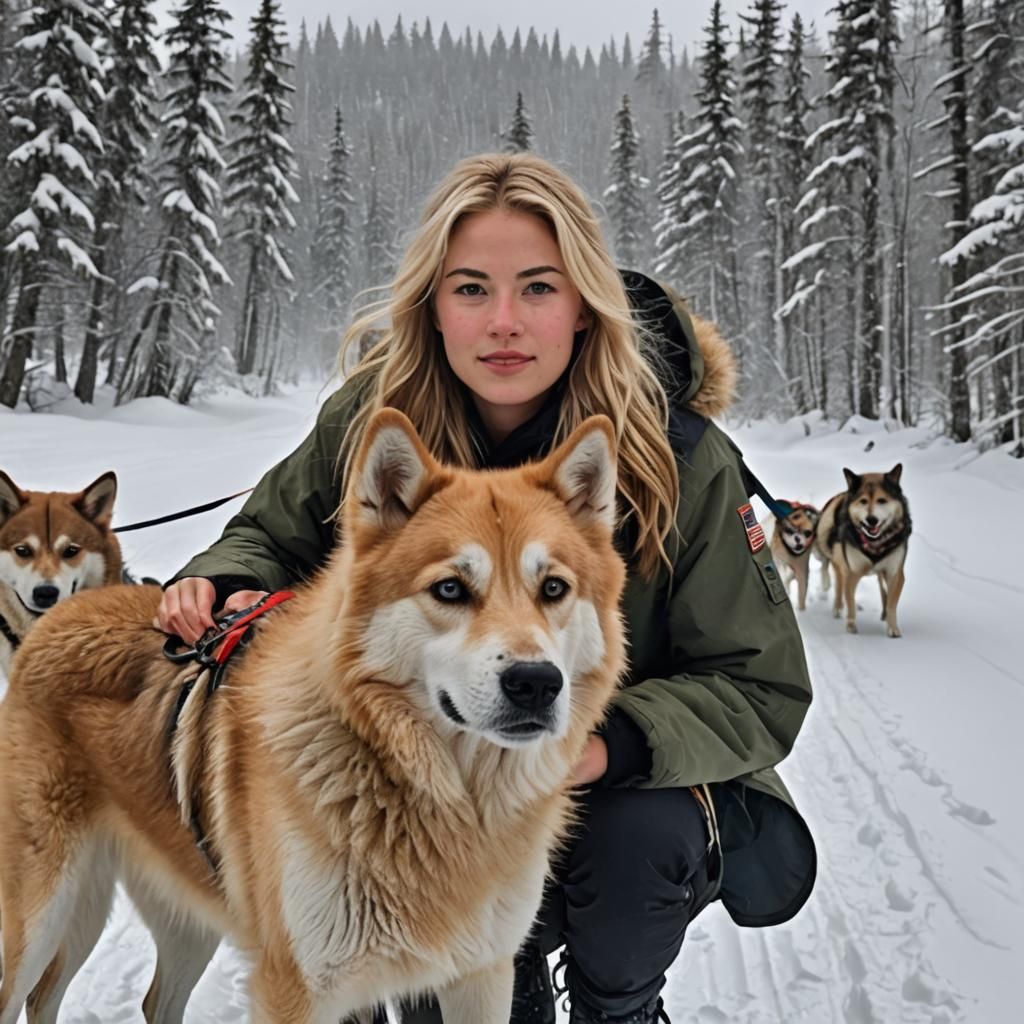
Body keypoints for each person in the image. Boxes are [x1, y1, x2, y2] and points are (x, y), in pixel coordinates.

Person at [157, 152, 816, 1024]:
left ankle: (618, 1007)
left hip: (614, 781)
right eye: (472, 289)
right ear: (433, 307)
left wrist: (607, 744)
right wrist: (225, 579)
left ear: (583, 305)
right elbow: (272, 533)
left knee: (635, 839)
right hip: (434, 781)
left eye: (538, 288)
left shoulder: (680, 457)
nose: (504, 322)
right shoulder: (376, 421)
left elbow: (759, 686)